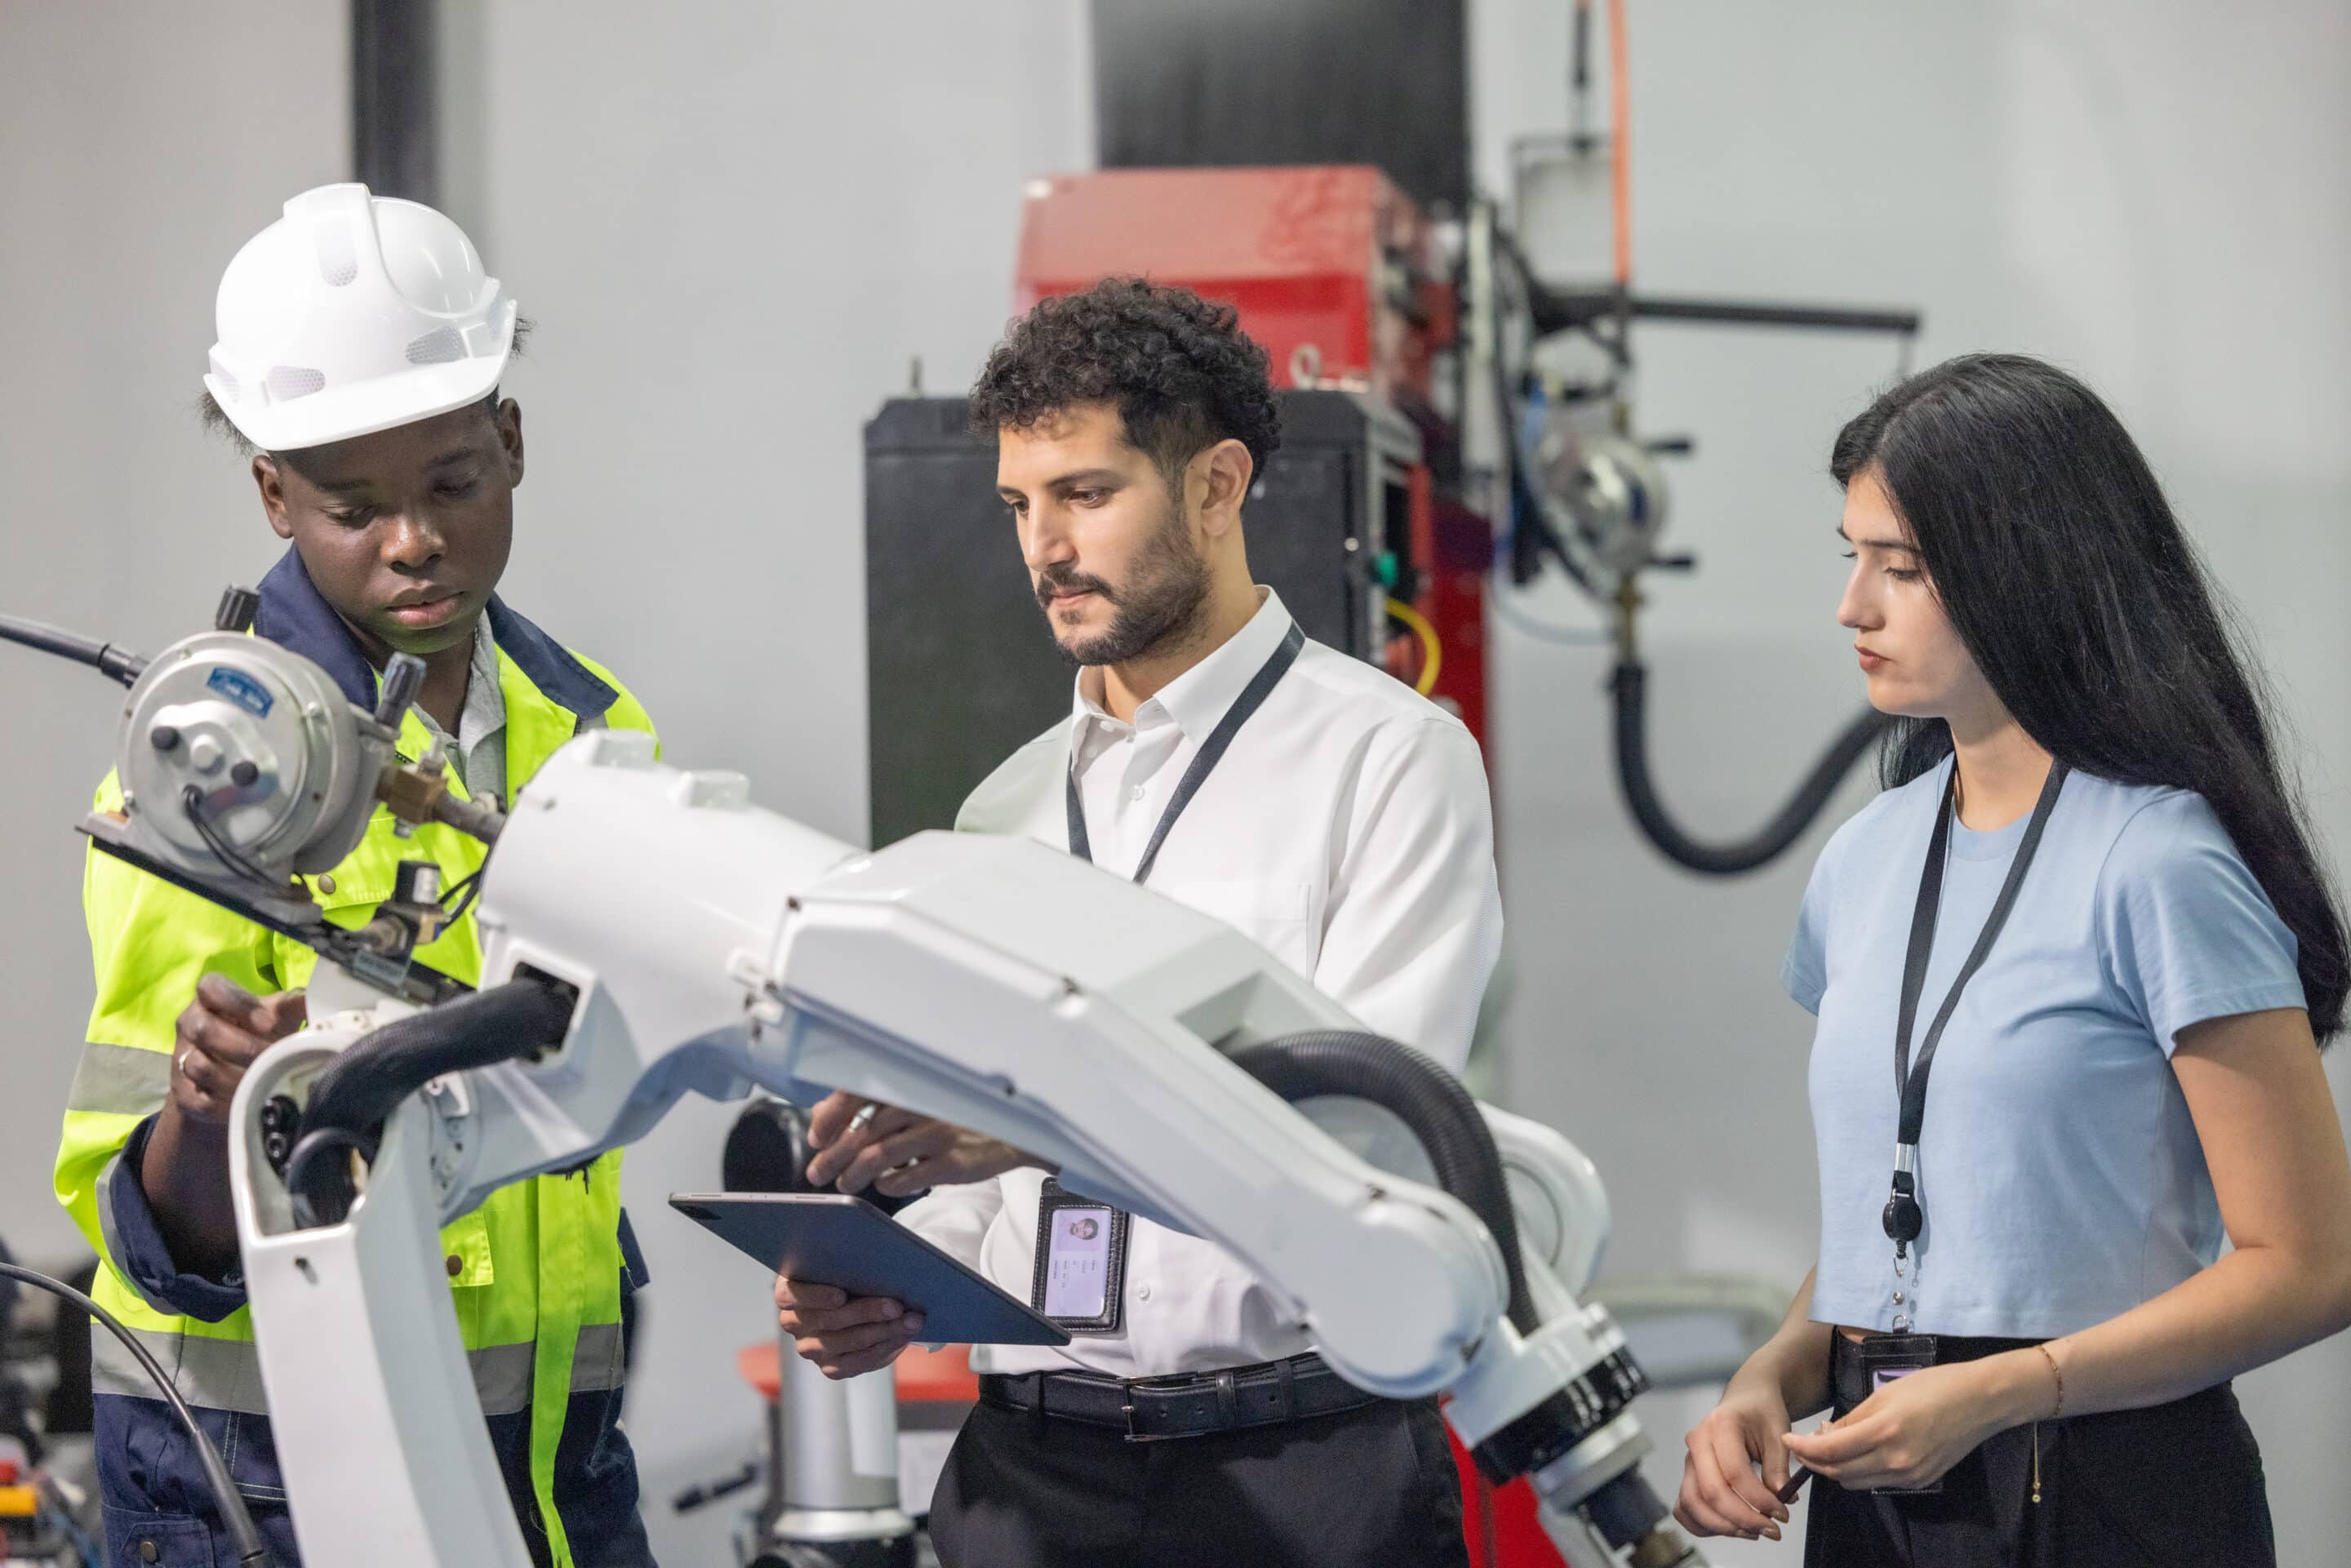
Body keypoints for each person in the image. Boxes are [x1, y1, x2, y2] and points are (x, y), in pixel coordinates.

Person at [776, 278, 1504, 1568]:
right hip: (1029, 1472)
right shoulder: (1003, 804)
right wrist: (887, 1268)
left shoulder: (1390, 759)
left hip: (1300, 1465)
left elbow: (1372, 1136)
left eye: (1086, 494)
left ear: (1218, 486)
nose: (1042, 546)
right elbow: (977, 1190)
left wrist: (1022, 1127)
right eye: (1019, 504)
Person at [52, 184, 659, 1568]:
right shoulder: (198, 786)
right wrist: (208, 1108)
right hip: (263, 1498)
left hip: (554, 1481)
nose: (413, 541)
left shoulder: (601, 737)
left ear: (512, 438)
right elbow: (165, 1247)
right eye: (352, 505)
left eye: (452, 482)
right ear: (273, 492)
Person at [1673, 353, 2351, 1566]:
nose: (1854, 606)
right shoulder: (1864, 860)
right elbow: (1925, 1217)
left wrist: (2001, 1392)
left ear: (2028, 569)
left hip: (2108, 1483)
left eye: (1906, 567)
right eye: (1853, 555)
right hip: (1885, 1472)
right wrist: (1773, 1374)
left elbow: (2309, 1267)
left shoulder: (2161, 859)